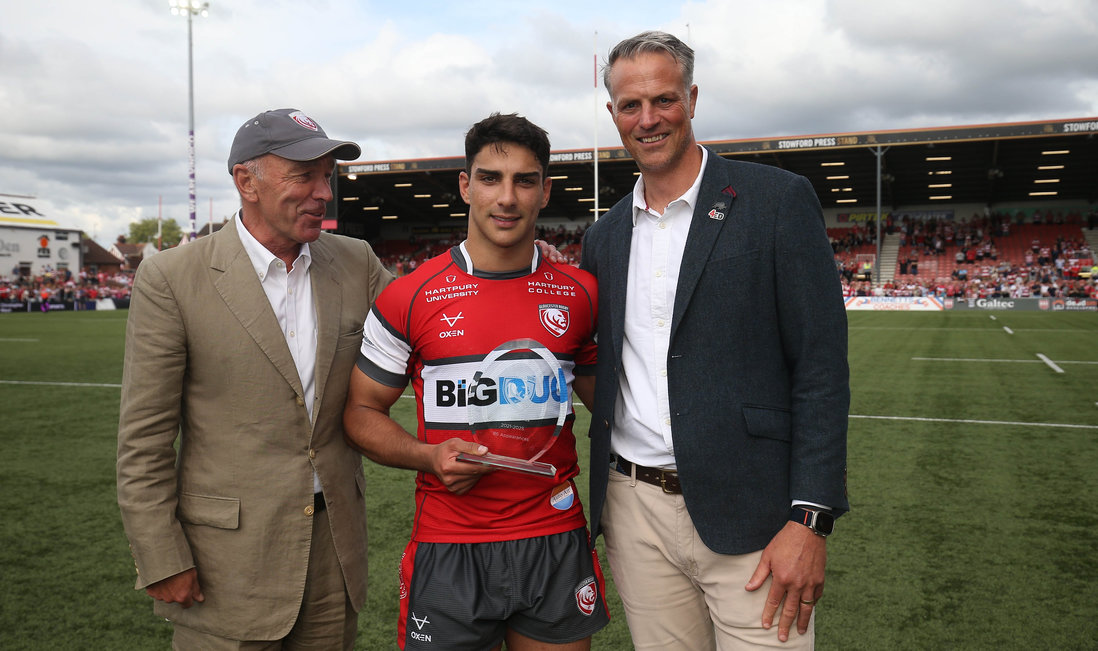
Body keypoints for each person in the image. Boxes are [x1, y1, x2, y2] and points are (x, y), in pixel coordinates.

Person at [580, 32, 850, 649]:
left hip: (754, 514)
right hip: (634, 511)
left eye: (664, 99)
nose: (648, 119)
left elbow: (821, 368)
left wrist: (811, 518)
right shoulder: (604, 236)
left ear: (693, 99)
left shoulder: (776, 200)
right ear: (613, 114)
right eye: (630, 105)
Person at [116, 108, 393, 649]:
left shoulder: (355, 261)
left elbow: (432, 317)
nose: (323, 193)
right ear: (246, 182)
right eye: (304, 176)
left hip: (333, 553)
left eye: (327, 177)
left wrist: (522, 263)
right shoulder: (172, 277)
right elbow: (144, 440)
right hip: (226, 564)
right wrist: (161, 557)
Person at [343, 112, 609, 651]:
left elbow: (616, 408)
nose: (506, 198)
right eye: (490, 178)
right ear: (466, 186)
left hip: (553, 536)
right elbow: (360, 412)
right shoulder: (408, 296)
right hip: (451, 542)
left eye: (524, 181)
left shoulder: (581, 293)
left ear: (544, 192)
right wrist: (428, 457)